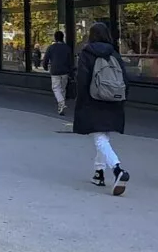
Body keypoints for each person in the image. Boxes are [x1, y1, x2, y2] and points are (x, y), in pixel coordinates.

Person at [73, 22, 130, 195]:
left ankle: (117, 169)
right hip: (113, 99)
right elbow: (125, 78)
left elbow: (82, 79)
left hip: (94, 99)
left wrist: (81, 101)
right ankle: (99, 173)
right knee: (103, 135)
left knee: (99, 137)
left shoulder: (87, 52)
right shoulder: (114, 53)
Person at [42, 30, 72, 116]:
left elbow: (46, 59)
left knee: (56, 88)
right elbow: (70, 61)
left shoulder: (51, 47)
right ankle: (61, 106)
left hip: (55, 71)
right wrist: (71, 72)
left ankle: (61, 102)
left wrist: (45, 67)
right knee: (63, 89)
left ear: (55, 38)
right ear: (63, 38)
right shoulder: (67, 48)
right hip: (65, 71)